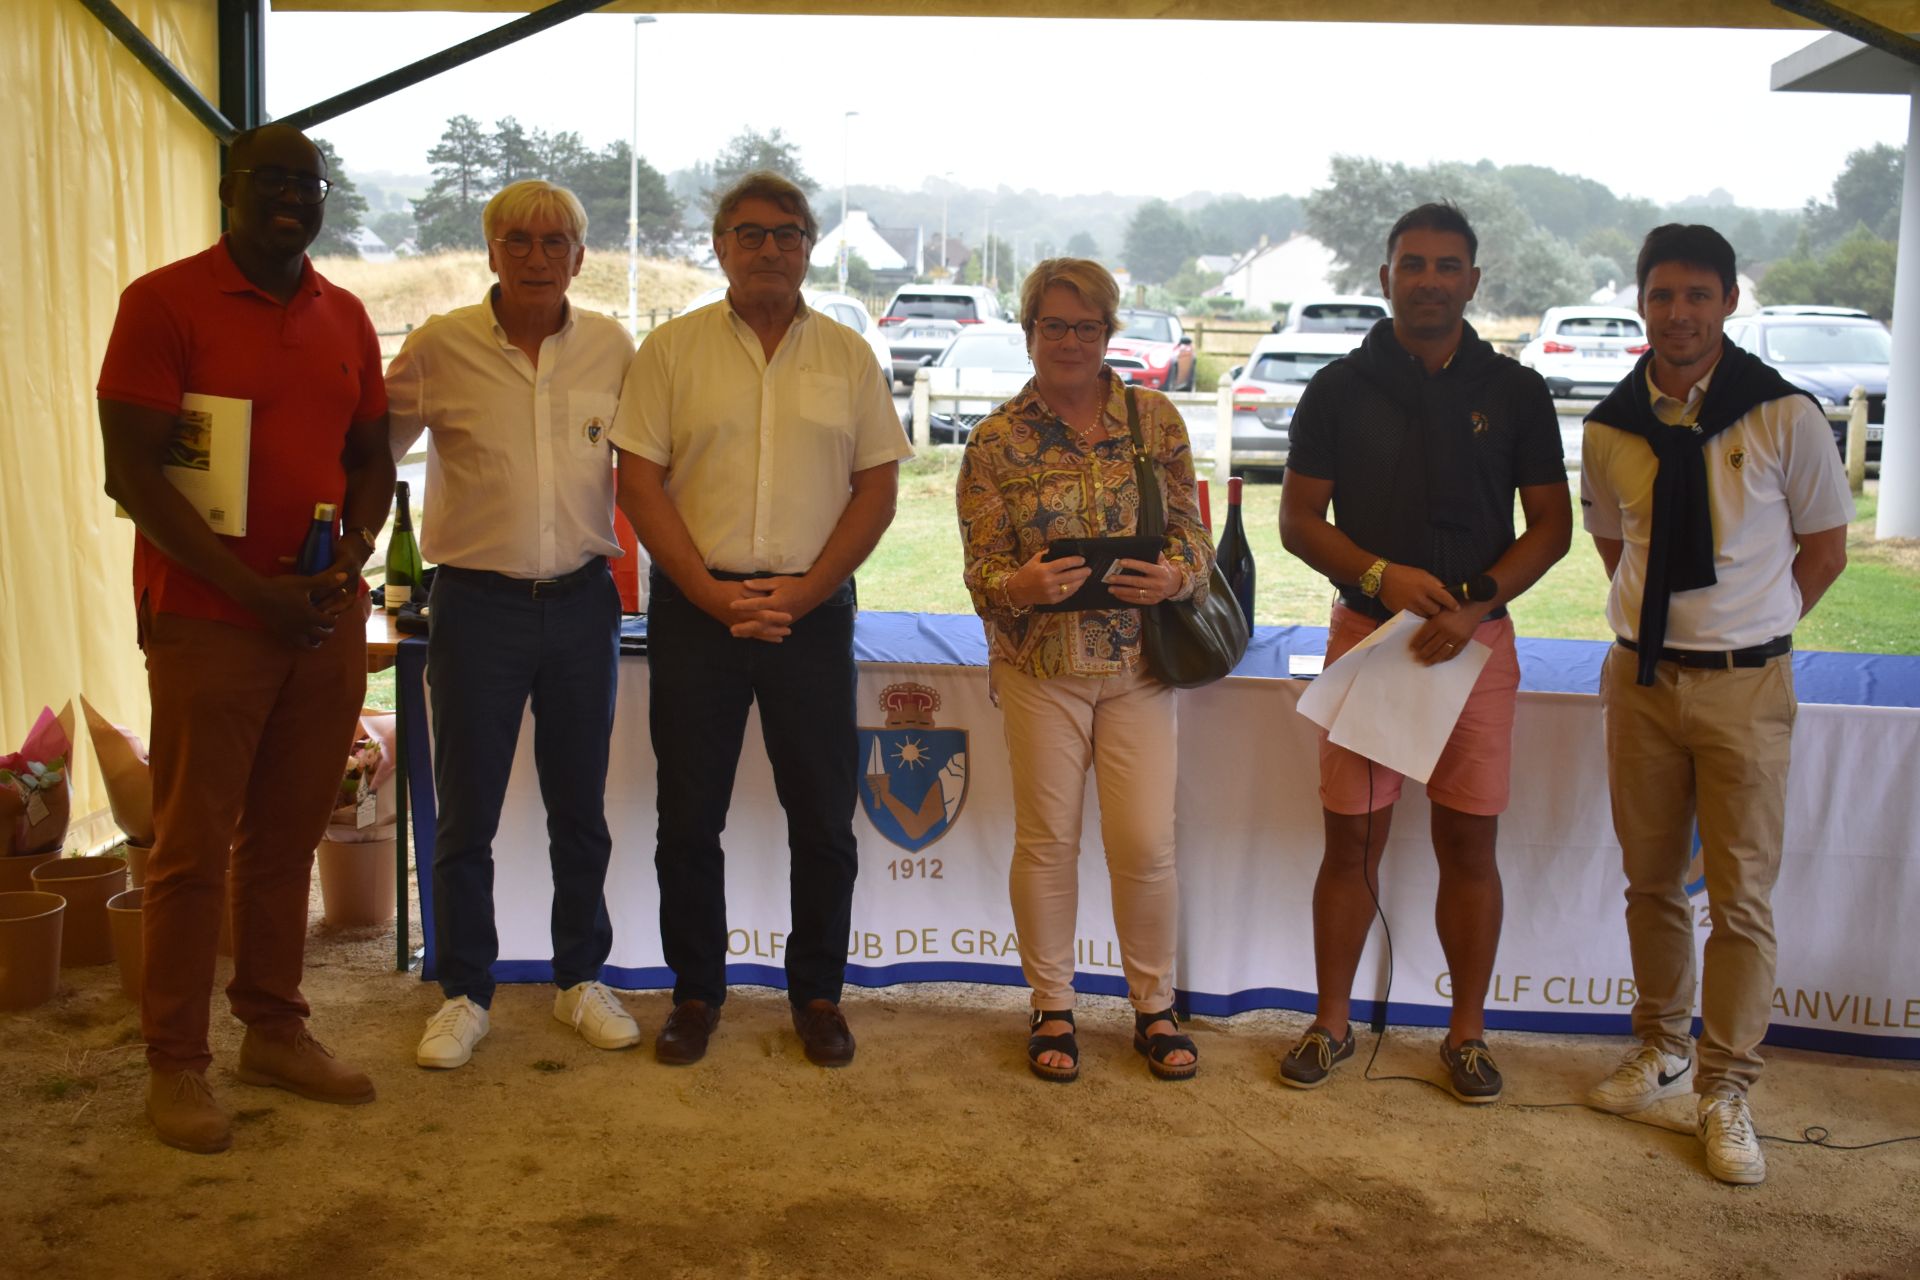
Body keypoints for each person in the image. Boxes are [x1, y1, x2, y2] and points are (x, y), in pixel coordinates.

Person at [98, 124, 393, 1153]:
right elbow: (132, 474)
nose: (292, 198)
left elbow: (372, 457)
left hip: (320, 619)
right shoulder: (163, 303)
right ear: (230, 186)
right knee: (190, 846)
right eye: (272, 179)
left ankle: (273, 1029)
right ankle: (175, 1062)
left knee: (286, 836)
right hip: (208, 619)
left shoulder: (345, 314)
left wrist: (352, 552)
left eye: (310, 185)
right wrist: (249, 593)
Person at [610, 170, 909, 1069]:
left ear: (810, 246)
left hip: (810, 614)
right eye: (750, 233)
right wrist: (706, 591)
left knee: (822, 819)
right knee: (687, 819)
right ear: (721, 247)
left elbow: (877, 488)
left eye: (787, 233)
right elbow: (638, 483)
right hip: (697, 612)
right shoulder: (671, 350)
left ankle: (817, 994)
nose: (769, 248)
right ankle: (695, 993)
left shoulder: (849, 356)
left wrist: (808, 590)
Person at [1277, 203, 1570, 1103]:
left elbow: (1551, 528)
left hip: (1476, 645)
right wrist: (1381, 576)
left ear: (1473, 281)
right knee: (1352, 844)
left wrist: (1475, 603)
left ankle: (1467, 1036)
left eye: (1448, 266)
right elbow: (1298, 521)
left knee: (1468, 846)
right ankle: (1330, 1025)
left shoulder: (1516, 390)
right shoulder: (1338, 388)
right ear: (1386, 277)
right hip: (1370, 638)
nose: (1430, 280)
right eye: (1414, 264)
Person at [1580, 224, 1849, 1185]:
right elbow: (1615, 547)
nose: (1680, 313)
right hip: (1643, 681)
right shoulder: (1610, 427)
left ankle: (1726, 1086)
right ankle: (1662, 1045)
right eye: (1663, 295)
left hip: (1747, 685)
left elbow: (1825, 551)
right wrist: (1666, 631)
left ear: (1730, 302)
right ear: (1641, 302)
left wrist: (1753, 631)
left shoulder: (1784, 415)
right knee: (1650, 881)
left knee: (1739, 898)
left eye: (1699, 295)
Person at [386, 180, 638, 1070]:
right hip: (475, 610)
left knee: (580, 811)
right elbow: (370, 452)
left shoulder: (612, 347)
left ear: (580, 255)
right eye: (518, 241)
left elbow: (652, 466)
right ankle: (464, 992)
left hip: (581, 606)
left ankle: (579, 979)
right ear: (491, 251)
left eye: (555, 241)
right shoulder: (438, 346)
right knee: (467, 816)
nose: (537, 257)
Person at [956, 258, 1214, 1083]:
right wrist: (1019, 587)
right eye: (1053, 325)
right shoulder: (994, 440)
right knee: (1047, 843)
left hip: (1141, 664)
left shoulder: (1154, 419)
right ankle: (1053, 1006)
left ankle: (1154, 1006)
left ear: (1109, 332)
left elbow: (1193, 535)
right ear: (1028, 331)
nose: (1070, 341)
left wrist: (1175, 576)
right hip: (1040, 668)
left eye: (1087, 326)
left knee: (1145, 843)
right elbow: (981, 569)